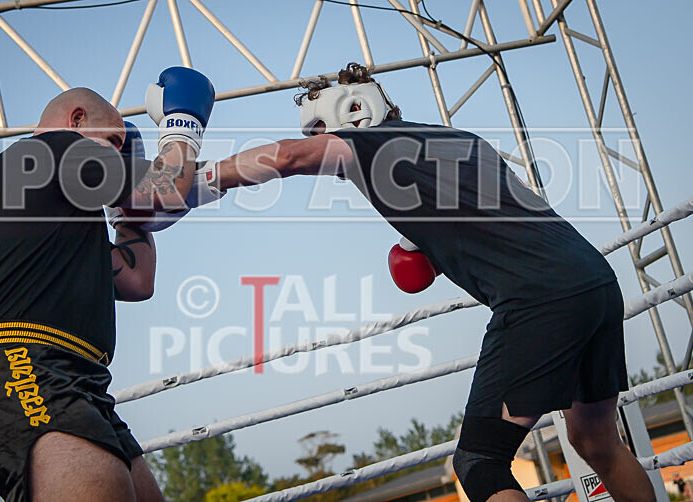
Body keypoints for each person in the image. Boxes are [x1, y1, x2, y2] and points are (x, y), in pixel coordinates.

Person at [201, 63, 654, 501]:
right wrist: (426, 251)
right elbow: (507, 219)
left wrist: (200, 177)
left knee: (481, 462)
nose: (318, 139)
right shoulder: (457, 141)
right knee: (598, 442)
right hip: (594, 281)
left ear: (353, 112)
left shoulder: (370, 144)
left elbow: (288, 157)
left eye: (320, 128)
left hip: (538, 299)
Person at [0, 67, 215, 502]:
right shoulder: (45, 151)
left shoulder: (66, 219)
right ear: (76, 120)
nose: (119, 152)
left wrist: (120, 209)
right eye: (114, 139)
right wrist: (182, 124)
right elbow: (169, 189)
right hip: (22, 362)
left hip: (79, 378)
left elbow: (137, 278)